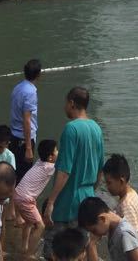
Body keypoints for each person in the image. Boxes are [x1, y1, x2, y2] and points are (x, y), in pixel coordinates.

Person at [44, 87, 104, 231]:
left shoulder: (71, 129)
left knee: (57, 248)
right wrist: (91, 191)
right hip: (88, 200)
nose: (64, 107)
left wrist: (51, 202)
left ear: (71, 103)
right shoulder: (96, 128)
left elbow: (64, 171)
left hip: (68, 201)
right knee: (81, 248)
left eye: (65, 103)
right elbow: (100, 169)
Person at [101, 154, 138, 261]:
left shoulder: (125, 205)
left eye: (109, 183)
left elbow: (132, 241)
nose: (107, 187)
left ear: (121, 181)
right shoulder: (132, 194)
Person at [12, 138, 57, 256]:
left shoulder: (39, 162)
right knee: (40, 226)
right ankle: (29, 255)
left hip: (18, 194)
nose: (59, 152)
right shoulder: (49, 168)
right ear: (50, 157)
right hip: (25, 199)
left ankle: (24, 247)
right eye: (56, 150)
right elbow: (64, 169)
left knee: (28, 222)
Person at [77, 196, 138, 261]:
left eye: (94, 230)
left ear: (102, 219)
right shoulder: (112, 228)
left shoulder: (125, 234)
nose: (93, 234)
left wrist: (91, 244)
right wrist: (91, 244)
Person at [10, 58, 41, 177]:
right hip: (24, 140)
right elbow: (27, 120)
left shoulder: (18, 87)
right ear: (38, 75)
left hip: (14, 136)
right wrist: (28, 147)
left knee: (15, 173)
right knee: (23, 177)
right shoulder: (30, 92)